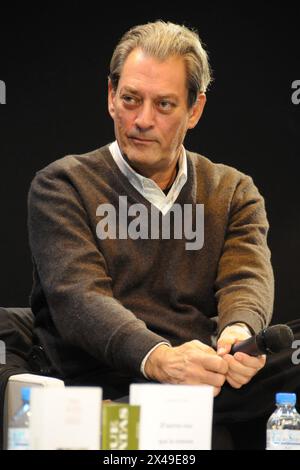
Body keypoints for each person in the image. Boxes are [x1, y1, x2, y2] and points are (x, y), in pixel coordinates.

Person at [27, 21, 299, 448]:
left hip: (209, 374)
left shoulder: (232, 190)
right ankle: (143, 409)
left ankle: (149, 411)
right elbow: (80, 299)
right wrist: (161, 360)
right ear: (111, 97)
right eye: (131, 99)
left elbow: (246, 277)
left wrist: (239, 334)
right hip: (107, 370)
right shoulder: (62, 185)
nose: (142, 120)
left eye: (164, 105)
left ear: (195, 110)